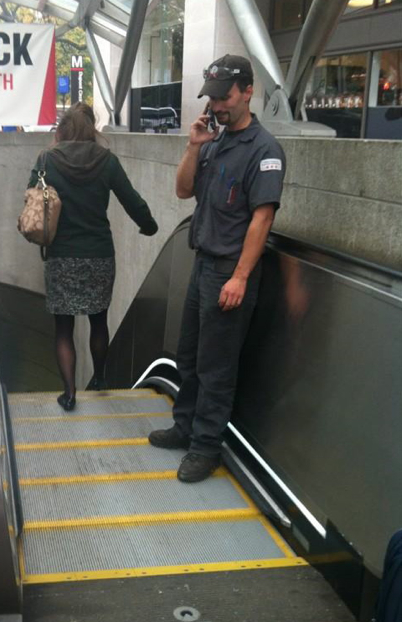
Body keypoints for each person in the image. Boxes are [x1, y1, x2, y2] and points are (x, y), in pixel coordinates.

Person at [148, 55, 286, 483]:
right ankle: (185, 426)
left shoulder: (264, 150)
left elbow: (262, 218)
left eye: (225, 97)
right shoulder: (214, 141)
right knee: (189, 356)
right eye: (213, 98)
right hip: (202, 265)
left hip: (229, 271)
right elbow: (183, 190)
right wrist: (194, 146)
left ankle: (206, 447)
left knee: (217, 367)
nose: (217, 106)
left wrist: (240, 277)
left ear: (248, 92)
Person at [28, 103, 158, 411]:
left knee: (64, 328)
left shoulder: (46, 160)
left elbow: (31, 196)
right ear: (91, 130)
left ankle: (70, 392)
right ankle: (99, 379)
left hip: (61, 255)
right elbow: (132, 200)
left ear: (62, 130)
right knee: (99, 321)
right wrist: (149, 225)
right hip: (99, 254)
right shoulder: (107, 161)